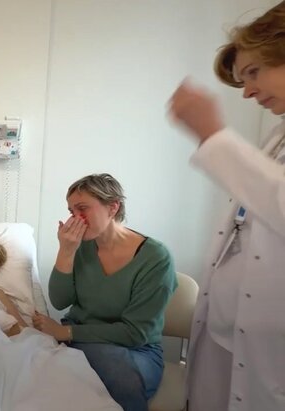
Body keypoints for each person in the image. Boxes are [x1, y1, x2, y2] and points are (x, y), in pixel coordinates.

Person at [168, 2, 285, 410]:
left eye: (253, 72)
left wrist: (213, 134)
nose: (248, 92)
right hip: (228, 340)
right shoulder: (277, 137)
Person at [33, 173, 177, 411]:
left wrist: (66, 332)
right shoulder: (79, 245)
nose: (75, 218)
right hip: (81, 338)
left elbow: (136, 333)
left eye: (82, 208)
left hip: (135, 349)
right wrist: (66, 251)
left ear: (113, 207)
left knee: (113, 370)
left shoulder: (155, 258)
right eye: (71, 211)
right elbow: (60, 301)